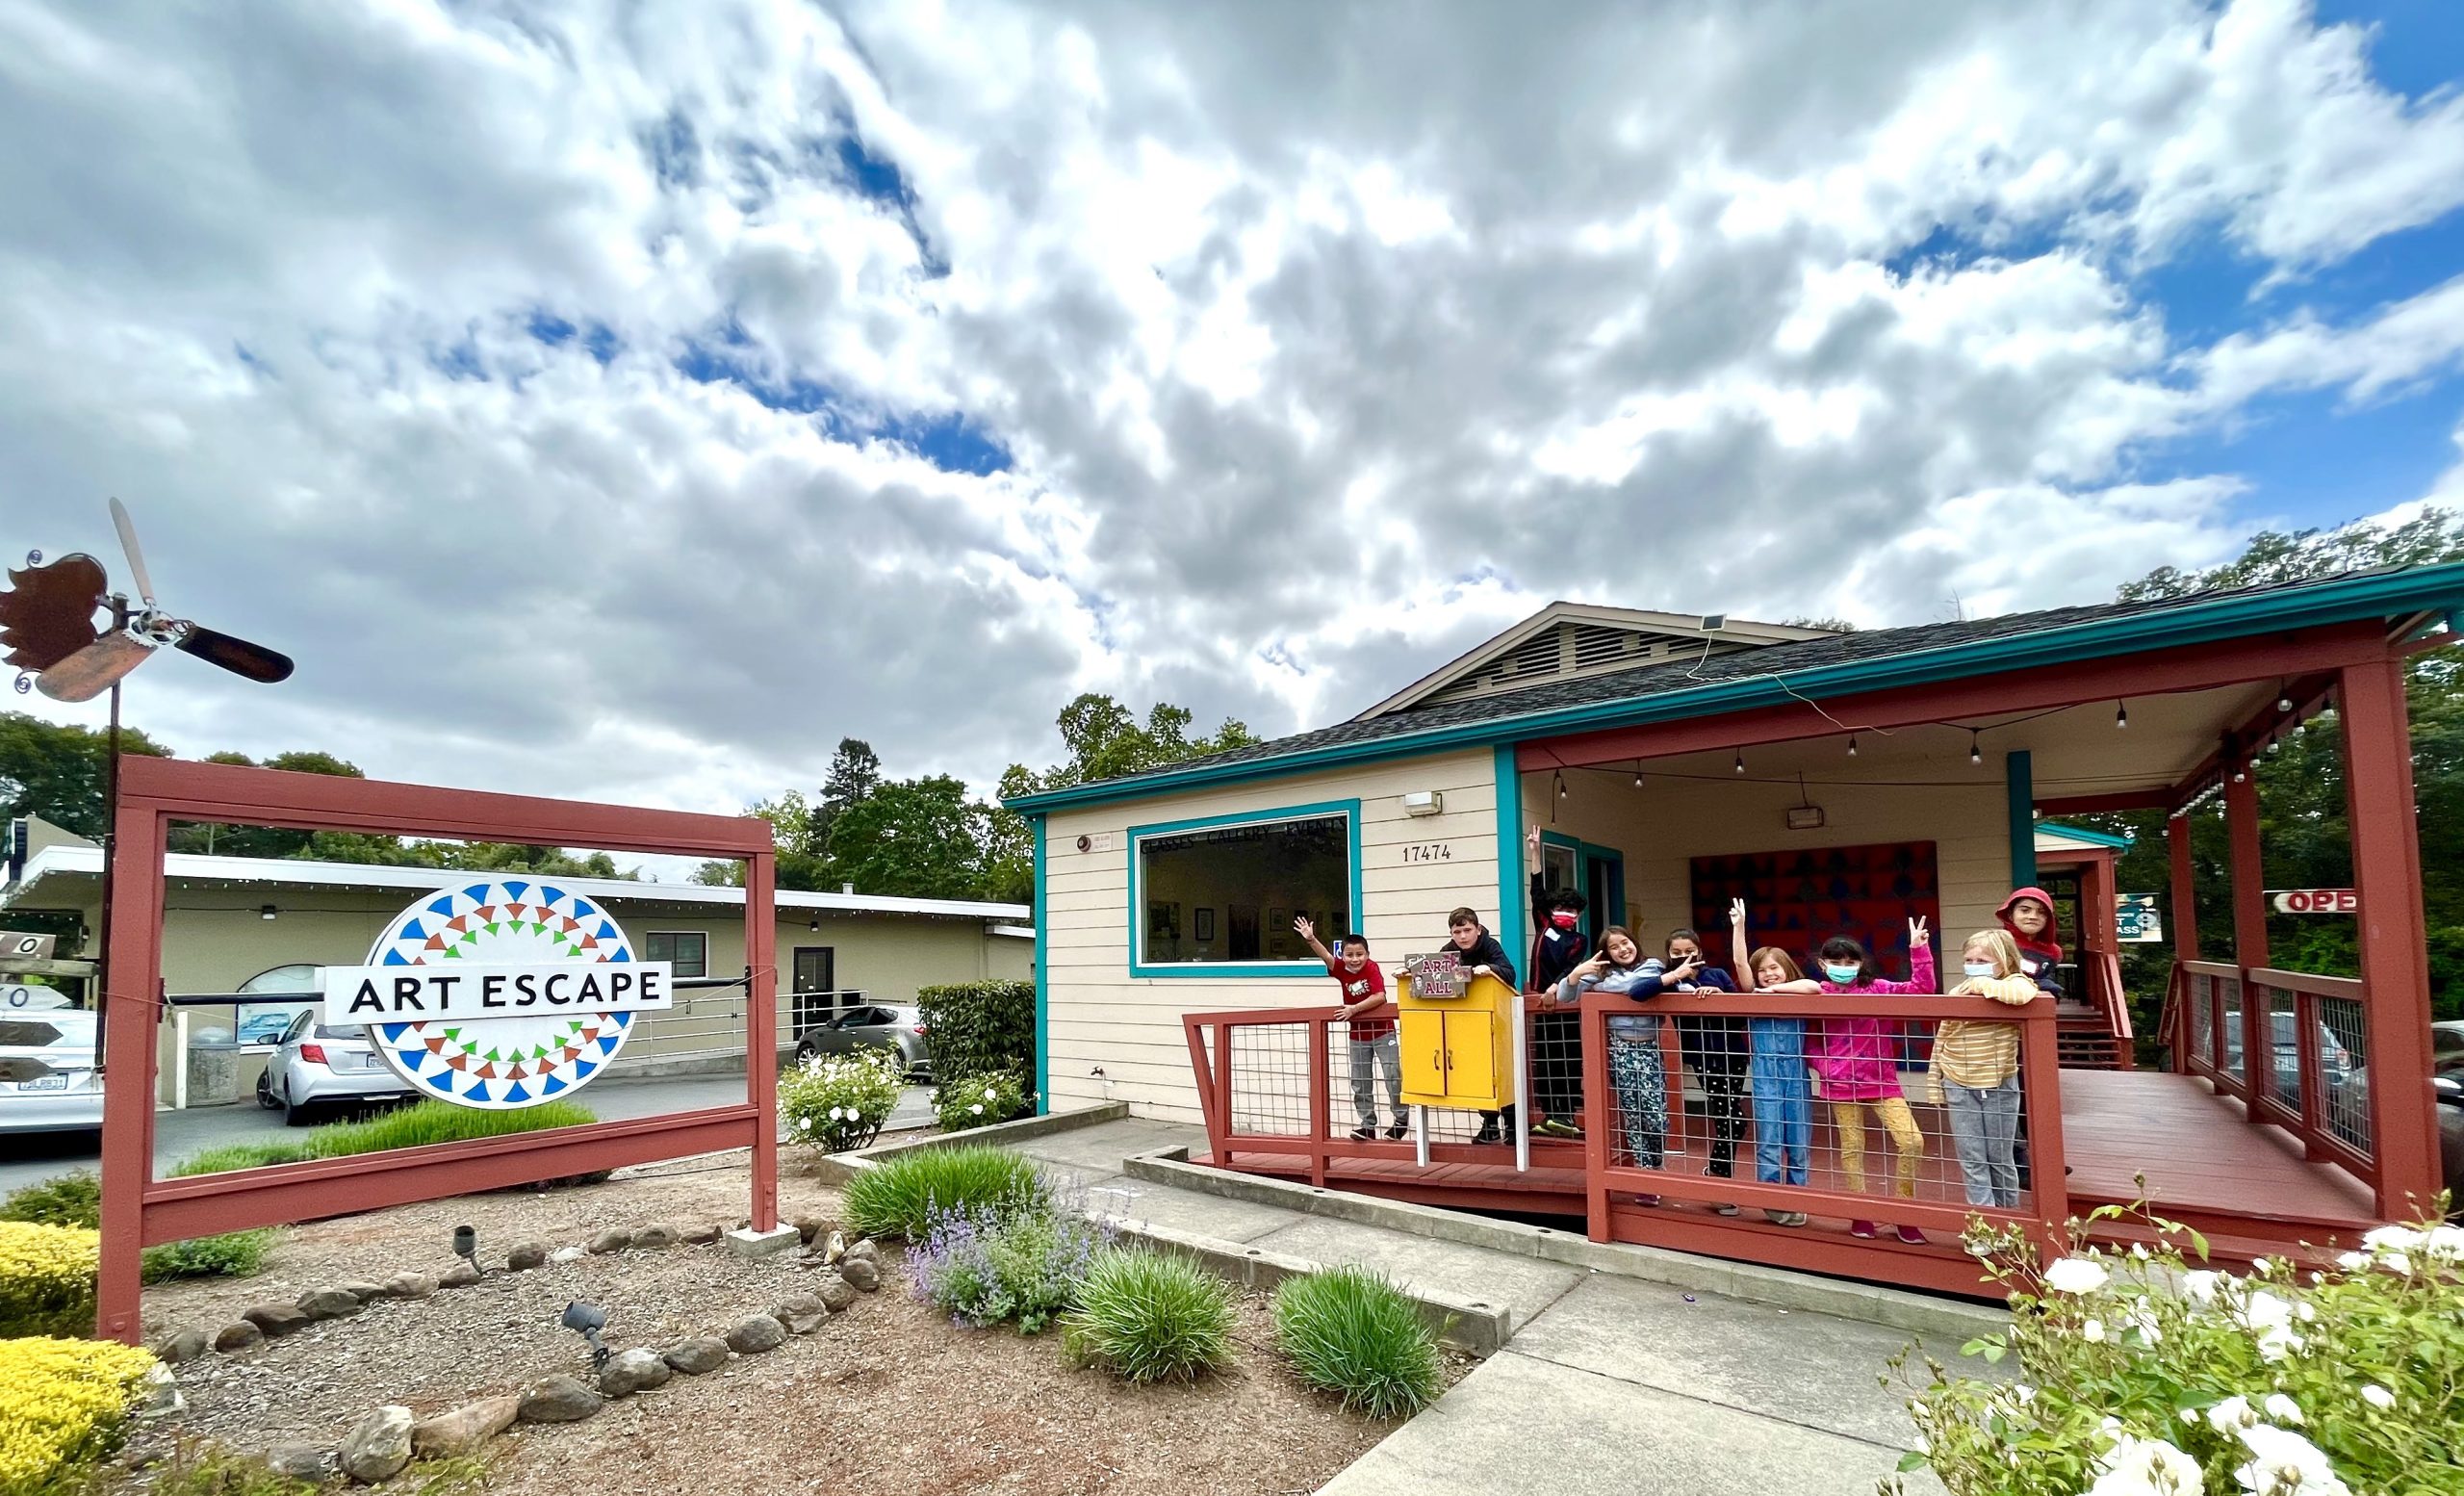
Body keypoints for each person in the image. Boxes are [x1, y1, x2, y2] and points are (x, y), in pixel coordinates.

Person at [1773, 918, 1937, 1244]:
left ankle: (1905, 1213)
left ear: (1860, 963)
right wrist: (1826, 1066)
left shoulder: (1878, 988)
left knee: (1912, 1141)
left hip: (1882, 1082)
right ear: (1823, 964)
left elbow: (1922, 990)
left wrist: (1919, 949)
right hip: (1839, 1085)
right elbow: (1808, 1039)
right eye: (1836, 962)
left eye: (1850, 961)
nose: (1844, 967)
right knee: (1852, 1149)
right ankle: (1860, 1212)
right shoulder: (1819, 992)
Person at [1926, 929, 2040, 1209]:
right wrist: (1933, 1081)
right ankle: (1985, 1224)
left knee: (2000, 1157)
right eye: (1970, 960)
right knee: (1972, 1158)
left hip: (1999, 1084)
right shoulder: (1958, 991)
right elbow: (1943, 1037)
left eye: (1982, 960)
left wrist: (1983, 986)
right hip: (1958, 1081)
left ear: (2003, 960)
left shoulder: (2015, 982)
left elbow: (2022, 994)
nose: (1974, 967)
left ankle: (2008, 1220)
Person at [1554, 926, 1667, 1203]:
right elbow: (1564, 996)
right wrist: (1578, 973)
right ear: (1607, 953)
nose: (1623, 949)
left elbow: (1636, 987)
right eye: (1615, 947)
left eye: (1625, 942)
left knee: (1656, 1116)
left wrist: (1598, 987)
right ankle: (1646, 1178)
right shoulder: (1601, 972)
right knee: (1633, 1113)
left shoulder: (1652, 965)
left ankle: (1657, 1163)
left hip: (1649, 1048)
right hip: (1620, 1048)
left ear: (1634, 942)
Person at [1644, 928, 1747, 1215]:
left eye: (1688, 951)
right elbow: (1640, 992)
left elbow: (1741, 1013)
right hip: (1704, 1057)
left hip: (1734, 1053)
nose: (1682, 956)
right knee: (1732, 1118)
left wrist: (1719, 996)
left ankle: (1716, 1176)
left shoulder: (1718, 975)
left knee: (1730, 1117)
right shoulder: (1668, 981)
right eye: (1675, 952)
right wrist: (1675, 976)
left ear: (1699, 951)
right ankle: (1719, 1183)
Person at [1730, 899, 1811, 1226]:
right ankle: (1771, 1197)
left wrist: (1775, 990)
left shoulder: (1799, 989)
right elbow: (1739, 964)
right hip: (1765, 1074)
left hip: (1796, 1073)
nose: (1767, 974)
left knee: (1799, 1138)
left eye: (1773, 967)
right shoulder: (1753, 993)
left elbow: (1813, 986)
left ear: (1786, 968)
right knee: (1770, 1137)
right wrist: (1739, 928)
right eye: (1762, 969)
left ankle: (1798, 1195)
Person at [1296, 916, 1406, 1142]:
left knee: (1392, 1076)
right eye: (1349, 955)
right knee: (1361, 1081)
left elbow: (1380, 997)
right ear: (1343, 956)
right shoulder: (1341, 970)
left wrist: (1353, 1009)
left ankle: (1401, 1120)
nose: (1355, 959)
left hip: (1383, 1032)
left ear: (1367, 955)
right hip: (1358, 1036)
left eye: (1359, 955)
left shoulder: (1372, 969)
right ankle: (1367, 1124)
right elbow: (1326, 956)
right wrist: (1311, 939)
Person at [1443, 907, 1522, 1146]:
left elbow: (1510, 974)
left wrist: (1492, 969)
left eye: (1467, 930)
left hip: (1498, 1021)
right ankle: (1489, 1125)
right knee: (1478, 1074)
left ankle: (1513, 1126)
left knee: (1504, 1072)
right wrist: (1413, 972)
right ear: (1451, 933)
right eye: (1457, 931)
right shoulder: (1447, 952)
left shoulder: (1490, 946)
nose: (1463, 936)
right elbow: (1434, 977)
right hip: (1467, 1022)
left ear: (1478, 929)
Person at [1527, 890, 1590, 1139]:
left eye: (1572, 910)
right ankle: (1549, 1114)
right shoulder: (1544, 925)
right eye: (1561, 907)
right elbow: (1538, 896)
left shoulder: (1579, 940)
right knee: (1545, 1060)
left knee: (1569, 1057)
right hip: (1542, 1004)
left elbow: (1570, 967)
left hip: (1566, 1002)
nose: (1565, 913)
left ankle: (1567, 1114)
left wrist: (1555, 986)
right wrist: (1533, 854)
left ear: (1578, 914)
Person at [1996, 889, 2065, 996]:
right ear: (2010, 915)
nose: (2033, 917)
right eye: (2025, 910)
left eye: (2041, 912)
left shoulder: (2053, 951)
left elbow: (2047, 979)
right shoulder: (1996, 943)